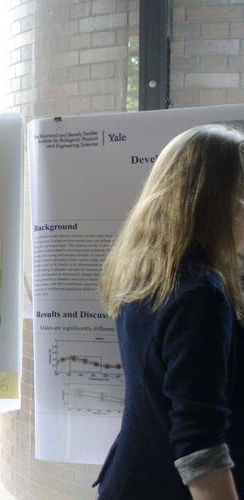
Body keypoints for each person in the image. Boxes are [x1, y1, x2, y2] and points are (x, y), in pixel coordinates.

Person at [95, 124, 244, 500]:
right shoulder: (201, 294)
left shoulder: (152, 272)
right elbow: (199, 440)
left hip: (135, 478)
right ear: (224, 200)